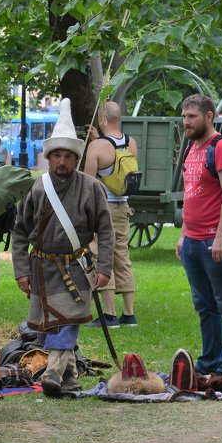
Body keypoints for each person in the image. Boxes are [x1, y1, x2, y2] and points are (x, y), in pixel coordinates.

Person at [11, 99, 113, 397]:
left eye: (67, 156)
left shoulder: (91, 188)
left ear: (75, 157)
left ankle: (53, 373)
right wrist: (21, 271)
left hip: (76, 268)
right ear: (49, 157)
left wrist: (105, 267)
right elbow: (19, 232)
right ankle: (68, 377)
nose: (62, 162)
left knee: (67, 321)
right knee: (51, 325)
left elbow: (105, 230)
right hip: (42, 268)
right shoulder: (36, 188)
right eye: (56, 155)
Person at [176, 93, 222, 375]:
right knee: (205, 306)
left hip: (216, 240)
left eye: (192, 117)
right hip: (193, 241)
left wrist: (220, 237)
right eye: (184, 117)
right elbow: (191, 195)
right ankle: (209, 363)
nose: (186, 122)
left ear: (209, 117)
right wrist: (183, 234)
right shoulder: (191, 148)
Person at [83, 101, 139, 326]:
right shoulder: (131, 143)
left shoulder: (96, 147)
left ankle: (108, 315)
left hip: (103, 208)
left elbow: (88, 183)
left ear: (103, 118)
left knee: (100, 255)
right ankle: (129, 313)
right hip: (123, 207)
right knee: (121, 255)